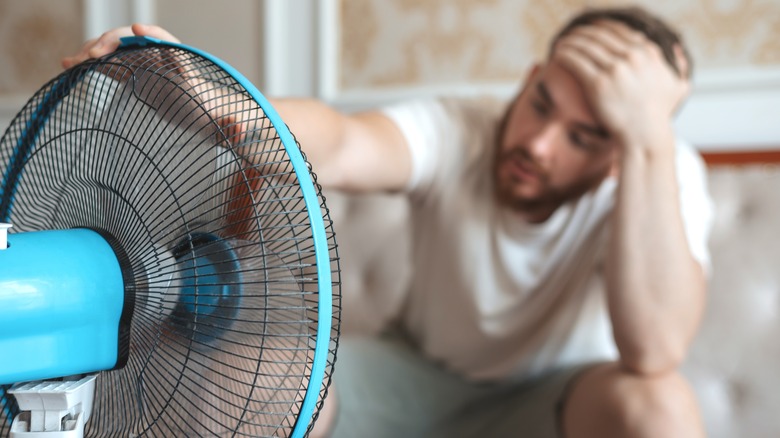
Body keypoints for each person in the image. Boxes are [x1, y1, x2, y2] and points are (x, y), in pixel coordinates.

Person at [66, 5, 713, 438]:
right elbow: (343, 142)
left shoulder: (660, 168)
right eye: (541, 103)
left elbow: (655, 350)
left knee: (658, 406)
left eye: (585, 136)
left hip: (559, 403)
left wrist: (648, 139)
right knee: (248, 378)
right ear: (531, 77)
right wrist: (215, 106)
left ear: (623, 150)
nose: (540, 144)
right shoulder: (460, 130)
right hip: (413, 379)